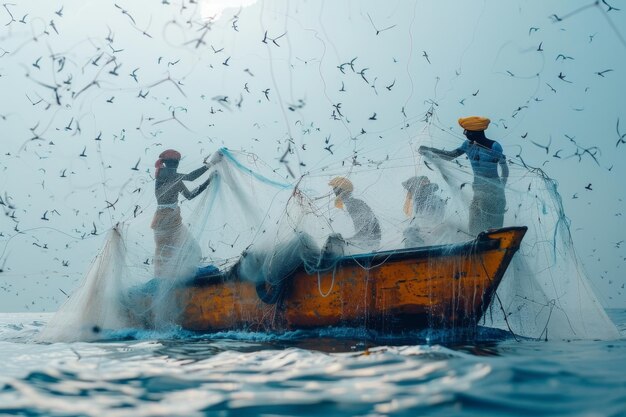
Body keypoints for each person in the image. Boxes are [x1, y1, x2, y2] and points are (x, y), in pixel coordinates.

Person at [418, 116, 508, 236]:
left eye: (467, 131)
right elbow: (450, 156)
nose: (464, 133)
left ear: (478, 132)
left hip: (494, 192)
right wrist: (429, 150)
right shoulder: (467, 145)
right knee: (474, 226)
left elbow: (504, 168)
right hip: (478, 191)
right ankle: (477, 249)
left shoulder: (494, 146)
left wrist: (502, 186)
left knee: (493, 228)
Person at [151, 149, 222, 278]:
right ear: (166, 164)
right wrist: (210, 164)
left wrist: (208, 181)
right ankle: (169, 282)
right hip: (165, 222)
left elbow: (190, 195)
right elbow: (191, 177)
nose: (175, 165)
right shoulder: (163, 174)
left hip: (172, 220)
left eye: (176, 163)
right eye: (172, 163)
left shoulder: (174, 179)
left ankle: (179, 277)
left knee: (190, 251)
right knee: (169, 255)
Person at [328, 177, 381, 251]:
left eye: (336, 189)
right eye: (334, 189)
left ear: (343, 190)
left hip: (368, 246)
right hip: (368, 244)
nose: (334, 192)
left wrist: (345, 240)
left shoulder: (354, 205)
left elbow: (365, 231)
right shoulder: (352, 203)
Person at [401, 176, 446, 247]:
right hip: (423, 228)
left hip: (432, 228)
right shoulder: (416, 199)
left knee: (409, 233)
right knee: (409, 232)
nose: (410, 191)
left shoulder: (432, 199)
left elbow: (438, 219)